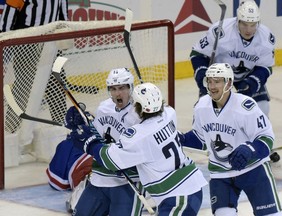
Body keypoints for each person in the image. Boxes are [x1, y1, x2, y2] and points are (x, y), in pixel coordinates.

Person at [71, 82, 208, 216]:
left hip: (178, 195)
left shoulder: (139, 136)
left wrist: (89, 142)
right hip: (185, 188)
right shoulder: (169, 114)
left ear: (138, 107)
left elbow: (109, 159)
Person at [180, 63, 282, 216]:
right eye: (209, 81)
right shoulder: (201, 107)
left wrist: (249, 150)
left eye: (217, 81)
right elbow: (200, 138)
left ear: (228, 83)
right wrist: (180, 139)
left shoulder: (245, 107)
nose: (212, 86)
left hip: (253, 170)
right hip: (221, 175)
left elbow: (266, 137)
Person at [68, 68, 144, 216]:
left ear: (131, 88)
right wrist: (79, 125)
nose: (117, 93)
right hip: (99, 178)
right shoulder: (104, 107)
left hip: (128, 181)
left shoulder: (139, 114)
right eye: (113, 89)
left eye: (122, 88)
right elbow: (94, 135)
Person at [190, 0, 275, 117]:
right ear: (237, 21)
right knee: (207, 113)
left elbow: (265, 66)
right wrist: (203, 77)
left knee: (262, 109)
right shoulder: (220, 31)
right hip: (219, 75)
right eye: (244, 24)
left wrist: (253, 82)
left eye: (253, 24)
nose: (248, 30)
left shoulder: (265, 38)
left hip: (247, 75)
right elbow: (198, 53)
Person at [1, 0, 69, 132]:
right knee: (24, 85)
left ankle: (62, 126)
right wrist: (3, 37)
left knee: (57, 83)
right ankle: (10, 128)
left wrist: (64, 33)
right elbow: (9, 14)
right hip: (27, 41)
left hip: (52, 42)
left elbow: (63, 13)